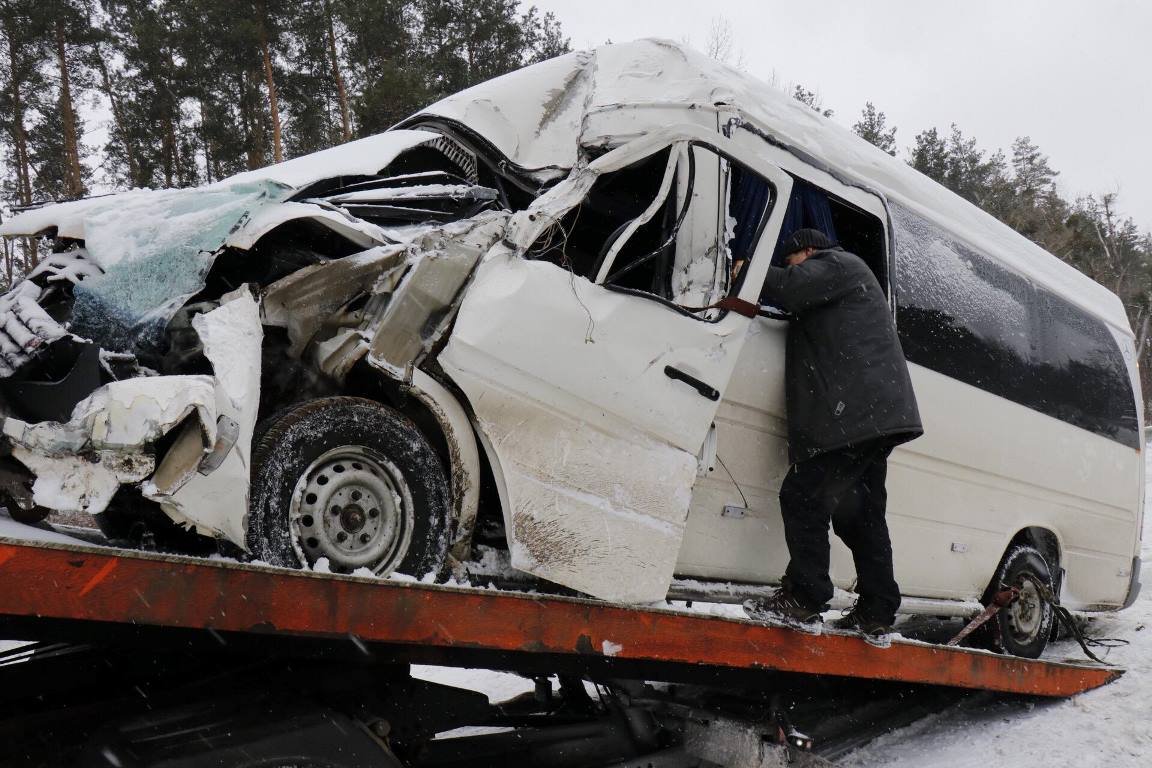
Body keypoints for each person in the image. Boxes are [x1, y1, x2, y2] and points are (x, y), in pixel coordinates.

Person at [743, 228, 923, 642]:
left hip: (855, 415)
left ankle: (806, 598)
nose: (791, 268)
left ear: (806, 251)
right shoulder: (849, 276)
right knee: (861, 517)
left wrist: (745, 268)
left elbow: (788, 287)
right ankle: (877, 609)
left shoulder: (836, 264)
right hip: (875, 416)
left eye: (791, 260)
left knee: (802, 495)